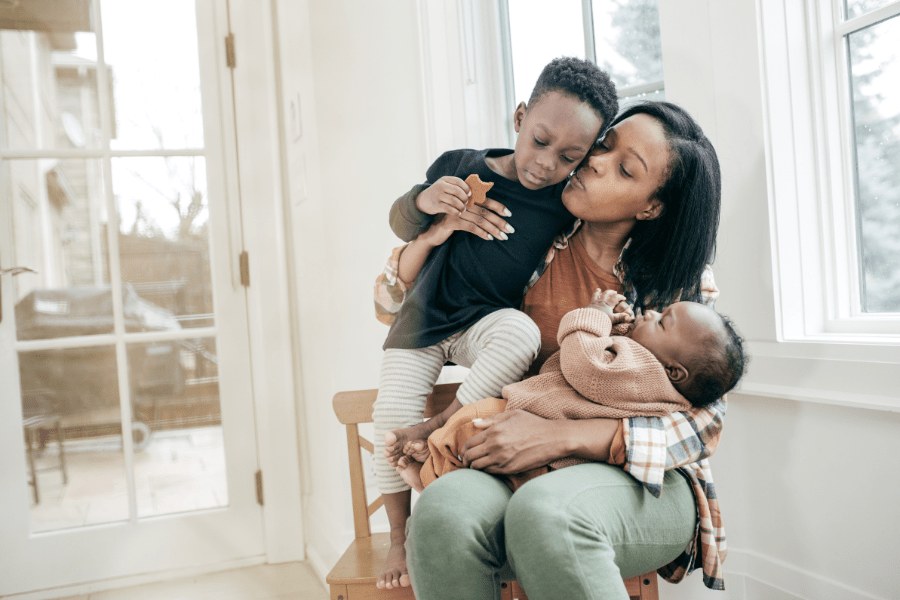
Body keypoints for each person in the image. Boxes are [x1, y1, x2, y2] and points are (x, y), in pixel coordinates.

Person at [375, 100, 729, 596]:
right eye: (604, 145)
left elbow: (706, 422)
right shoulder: (527, 234)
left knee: (548, 514)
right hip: (518, 465)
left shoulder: (677, 283)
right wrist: (435, 235)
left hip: (642, 480)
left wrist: (563, 437)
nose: (596, 161)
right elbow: (391, 303)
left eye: (625, 169)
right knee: (441, 514)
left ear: (651, 206)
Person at [371, 56, 619, 590]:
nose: (545, 163)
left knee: (522, 335)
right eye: (540, 140)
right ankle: (398, 532)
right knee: (389, 416)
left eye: (568, 157)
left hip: (485, 322)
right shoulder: (462, 165)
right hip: (423, 319)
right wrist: (427, 201)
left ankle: (441, 426)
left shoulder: (563, 205)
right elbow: (399, 218)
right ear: (520, 116)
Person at [393, 289, 746, 494]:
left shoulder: (644, 373)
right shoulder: (654, 380)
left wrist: (592, 316)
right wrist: (622, 326)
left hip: (545, 436)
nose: (651, 312)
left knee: (470, 424)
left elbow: (585, 367)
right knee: (473, 436)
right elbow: (614, 363)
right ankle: (432, 468)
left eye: (663, 320)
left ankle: (430, 476)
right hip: (551, 445)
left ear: (674, 370)